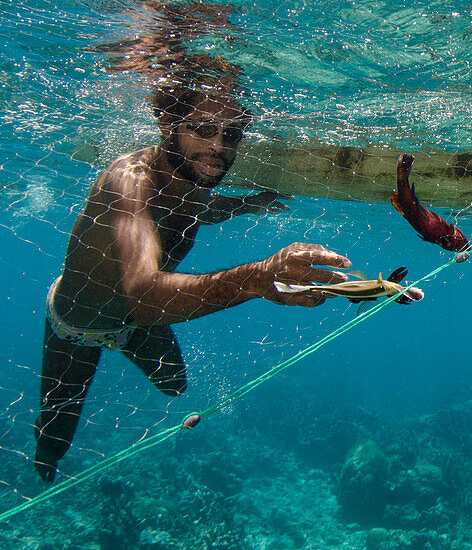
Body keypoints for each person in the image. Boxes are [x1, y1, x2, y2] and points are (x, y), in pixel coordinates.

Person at [33, 69, 351, 482]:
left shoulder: (193, 173)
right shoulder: (130, 181)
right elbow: (143, 295)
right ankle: (43, 465)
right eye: (203, 129)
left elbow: (197, 211)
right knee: (56, 433)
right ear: (168, 124)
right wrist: (255, 279)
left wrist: (246, 205)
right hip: (79, 323)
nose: (218, 147)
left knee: (175, 385)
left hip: (136, 323)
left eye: (232, 135)